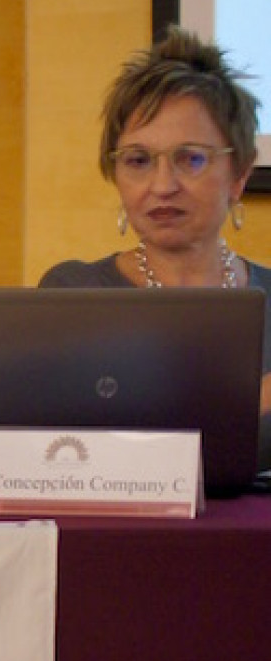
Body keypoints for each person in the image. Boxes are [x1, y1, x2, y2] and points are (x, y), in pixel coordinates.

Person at [38, 27, 271, 410]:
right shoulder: (73, 294)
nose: (162, 186)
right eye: (138, 160)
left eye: (191, 158)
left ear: (240, 175)